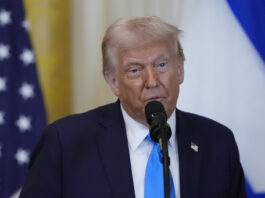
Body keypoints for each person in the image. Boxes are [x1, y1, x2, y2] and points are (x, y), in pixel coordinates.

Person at [19, 16, 247, 198]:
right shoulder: (66, 143)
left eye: (161, 64)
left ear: (180, 69)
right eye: (135, 70)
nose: (152, 81)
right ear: (113, 81)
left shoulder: (217, 142)